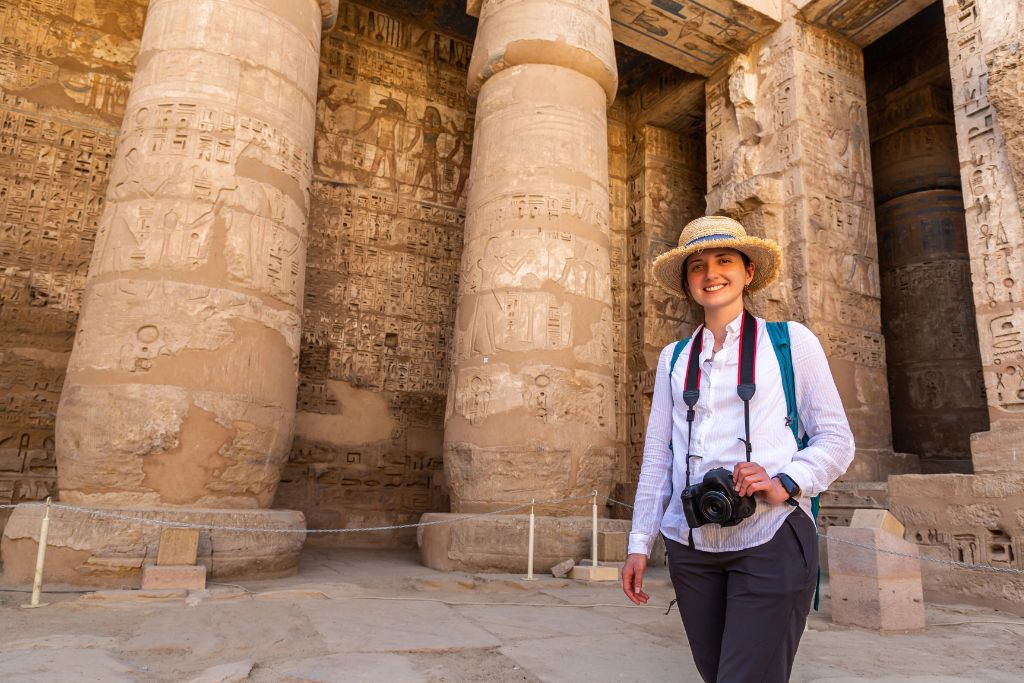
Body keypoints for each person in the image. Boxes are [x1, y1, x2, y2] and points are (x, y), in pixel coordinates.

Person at [622, 215, 855, 682]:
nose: (711, 274)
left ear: (749, 272)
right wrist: (639, 543)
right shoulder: (674, 358)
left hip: (770, 537)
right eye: (698, 266)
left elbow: (836, 439)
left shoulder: (790, 343)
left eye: (724, 260)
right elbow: (658, 458)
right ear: (688, 281)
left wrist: (784, 481)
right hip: (690, 544)